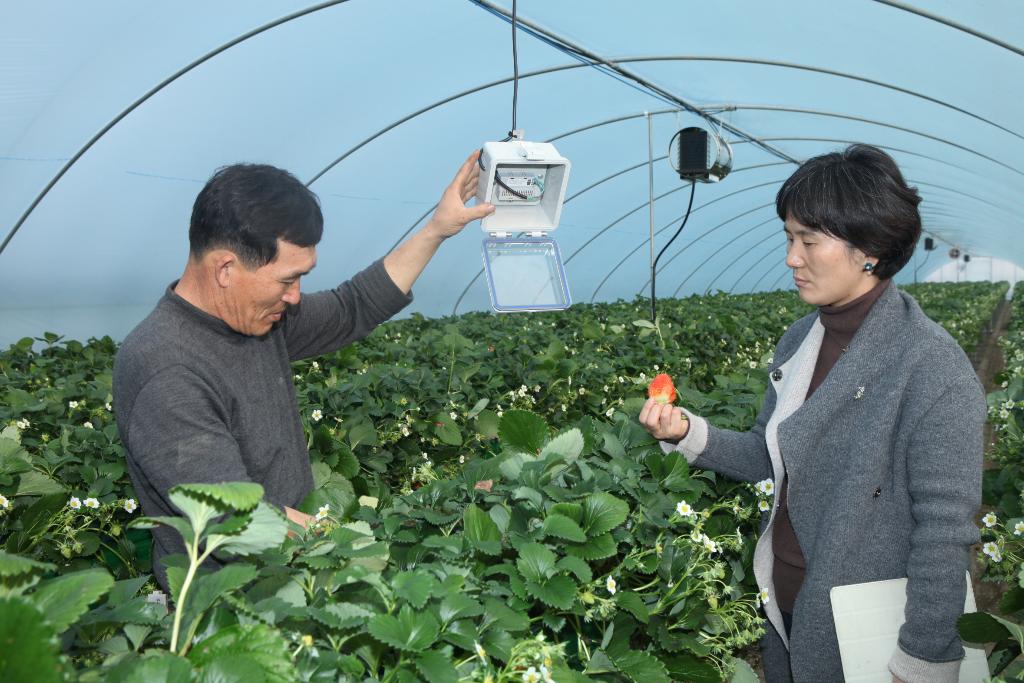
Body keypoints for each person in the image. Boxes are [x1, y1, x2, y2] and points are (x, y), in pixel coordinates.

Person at [639, 144, 984, 683]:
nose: (791, 258)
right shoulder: (801, 339)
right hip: (788, 604)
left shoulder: (932, 368)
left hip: (871, 626)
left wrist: (922, 660)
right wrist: (687, 431)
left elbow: (944, 533)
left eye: (808, 241)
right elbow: (769, 455)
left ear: (869, 247)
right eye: (788, 237)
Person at [113, 152, 494, 590]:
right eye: (286, 279)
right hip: (231, 608)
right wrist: (403, 527)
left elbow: (352, 306)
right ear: (225, 268)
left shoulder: (258, 317)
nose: (295, 297)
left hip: (299, 569)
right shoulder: (166, 367)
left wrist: (436, 230)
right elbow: (239, 522)